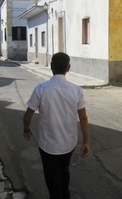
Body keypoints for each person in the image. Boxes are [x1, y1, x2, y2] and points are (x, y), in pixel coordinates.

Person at [23, 52, 90, 199]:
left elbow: (28, 116)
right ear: (69, 67)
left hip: (48, 146)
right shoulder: (76, 90)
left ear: (51, 67)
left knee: (52, 179)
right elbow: (83, 118)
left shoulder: (41, 89)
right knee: (64, 172)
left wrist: (26, 130)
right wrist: (86, 142)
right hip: (69, 144)